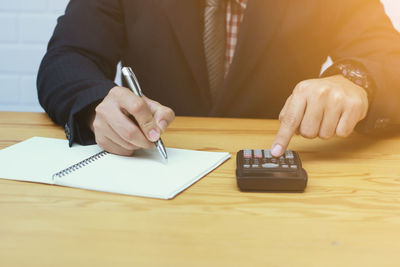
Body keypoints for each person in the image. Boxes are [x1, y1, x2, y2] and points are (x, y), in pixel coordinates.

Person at [37, 0, 400, 157]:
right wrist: (96, 102)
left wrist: (354, 80)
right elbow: (67, 58)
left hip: (277, 182)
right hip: (151, 176)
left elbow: (388, 56)